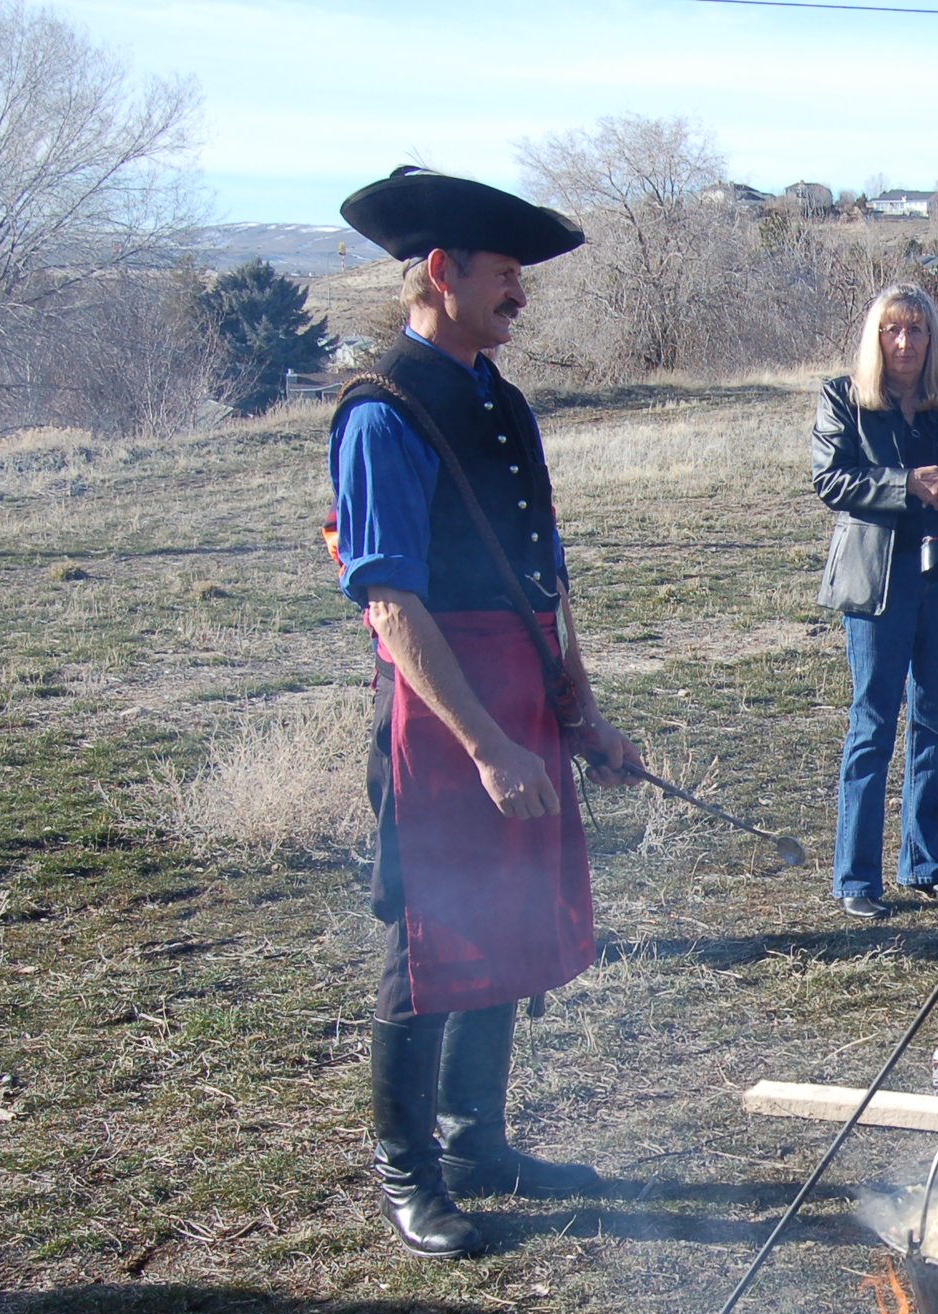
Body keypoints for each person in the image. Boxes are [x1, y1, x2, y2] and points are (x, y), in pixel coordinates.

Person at [330, 167, 646, 1258]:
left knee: (508, 916)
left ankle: (477, 1140)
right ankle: (407, 1168)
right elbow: (390, 597)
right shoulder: (384, 409)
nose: (520, 293)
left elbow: (543, 577)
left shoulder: (499, 398)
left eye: (520, 275)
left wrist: (578, 709)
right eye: (505, 274)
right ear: (438, 272)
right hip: (443, 703)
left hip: (520, 678)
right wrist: (487, 742)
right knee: (429, 932)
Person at [811, 284, 938, 920]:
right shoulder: (845, 397)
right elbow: (831, 479)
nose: (904, 342)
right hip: (878, 584)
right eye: (892, 330)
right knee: (873, 724)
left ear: (932, 338)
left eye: (916, 330)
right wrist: (906, 484)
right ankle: (857, 879)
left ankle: (926, 865)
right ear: (876, 336)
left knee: (934, 723)